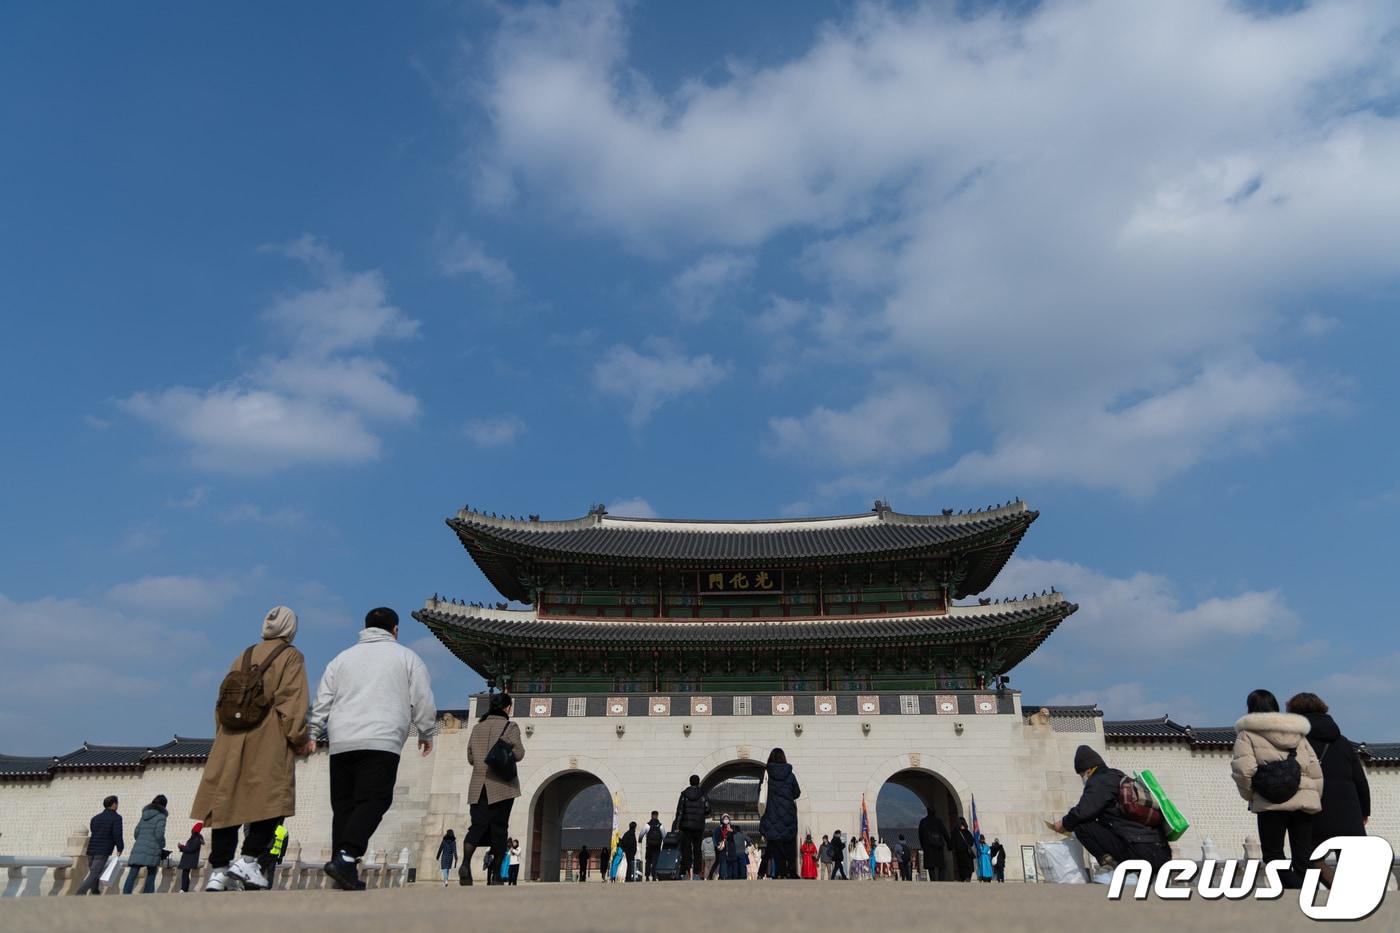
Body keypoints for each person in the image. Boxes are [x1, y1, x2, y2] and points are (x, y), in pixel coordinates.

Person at [311, 607, 437, 891]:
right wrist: (426, 731)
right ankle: (346, 855)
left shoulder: (341, 659)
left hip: (341, 739)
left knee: (344, 805)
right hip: (382, 739)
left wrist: (313, 730)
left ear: (365, 628)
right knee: (374, 800)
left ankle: (342, 868)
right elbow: (423, 699)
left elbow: (323, 699)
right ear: (395, 629)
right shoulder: (407, 657)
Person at [192, 605, 312, 892]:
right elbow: (292, 703)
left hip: (230, 738)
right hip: (267, 737)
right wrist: (299, 738)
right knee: (272, 801)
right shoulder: (290, 655)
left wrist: (222, 737)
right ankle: (248, 860)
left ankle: (218, 871)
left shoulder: (242, 656)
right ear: (291, 628)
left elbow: (222, 701)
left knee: (226, 803)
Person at [1232, 689, 1323, 889]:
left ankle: (1294, 889)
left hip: (1271, 800)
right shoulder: (1297, 733)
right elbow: (1314, 768)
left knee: (1274, 855)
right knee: (1303, 853)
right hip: (1304, 799)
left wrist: (1252, 795)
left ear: (1250, 709)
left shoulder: (1247, 734)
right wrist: (1313, 796)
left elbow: (1244, 770)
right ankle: (1309, 893)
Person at [1054, 745, 1172, 874]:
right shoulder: (1119, 776)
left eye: (1082, 774)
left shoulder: (1099, 780)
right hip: (1162, 853)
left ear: (1088, 770)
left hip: (1140, 853)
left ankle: (1111, 866)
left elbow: (1082, 812)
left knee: (1081, 825)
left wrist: (1064, 823)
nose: (1083, 778)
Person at [459, 691, 523, 885]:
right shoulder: (509, 726)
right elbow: (519, 753)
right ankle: (496, 875)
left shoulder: (477, 728)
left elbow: (470, 757)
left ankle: (465, 864)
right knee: (499, 829)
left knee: (477, 826)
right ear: (508, 708)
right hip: (502, 786)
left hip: (478, 786)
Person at [759, 748, 801, 879]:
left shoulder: (766, 775)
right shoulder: (790, 775)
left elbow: (760, 794)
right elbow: (797, 793)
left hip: (772, 814)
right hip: (788, 813)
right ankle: (792, 872)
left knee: (776, 844)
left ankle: (781, 872)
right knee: (789, 844)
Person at [76, 795, 124, 895]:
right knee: (94, 874)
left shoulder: (95, 818)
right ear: (114, 804)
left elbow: (94, 831)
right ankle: (80, 892)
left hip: (91, 850)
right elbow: (117, 834)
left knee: (94, 873)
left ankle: (95, 892)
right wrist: (120, 847)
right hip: (102, 851)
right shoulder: (116, 818)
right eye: (117, 803)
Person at [122, 794, 168, 894]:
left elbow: (136, 832)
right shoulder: (161, 817)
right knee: (151, 873)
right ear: (164, 805)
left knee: (132, 873)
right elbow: (159, 834)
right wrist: (162, 844)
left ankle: (125, 895)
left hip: (139, 847)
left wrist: (141, 840)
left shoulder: (144, 815)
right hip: (153, 849)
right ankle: (147, 896)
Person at [674, 773, 711, 880]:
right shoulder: (703, 794)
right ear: (698, 782)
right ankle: (696, 873)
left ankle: (686, 872)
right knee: (697, 850)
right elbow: (708, 809)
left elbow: (680, 811)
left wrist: (677, 825)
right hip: (698, 826)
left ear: (690, 782)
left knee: (686, 850)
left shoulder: (684, 794)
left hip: (686, 826)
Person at [918, 807, 951, 882]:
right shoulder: (939, 821)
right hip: (938, 845)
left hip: (928, 846)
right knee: (941, 865)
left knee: (931, 865)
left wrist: (922, 845)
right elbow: (945, 832)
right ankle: (941, 880)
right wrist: (949, 843)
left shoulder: (923, 821)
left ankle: (933, 880)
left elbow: (920, 835)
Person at [176, 822, 204, 893]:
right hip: (188, 858)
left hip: (190, 859)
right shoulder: (195, 838)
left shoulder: (196, 839)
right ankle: (184, 889)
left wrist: (181, 846)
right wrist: (182, 847)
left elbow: (190, 849)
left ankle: (184, 889)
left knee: (185, 874)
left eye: (193, 829)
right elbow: (189, 848)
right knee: (185, 873)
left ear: (195, 830)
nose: (192, 831)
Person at [262, 822, 288, 889]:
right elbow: (284, 846)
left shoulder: (267, 826)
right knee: (271, 873)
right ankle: (268, 887)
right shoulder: (284, 831)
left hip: (264, 853)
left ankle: (257, 886)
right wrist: (281, 856)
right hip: (274, 855)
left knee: (260, 870)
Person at [711, 813, 737, 880]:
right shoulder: (718, 828)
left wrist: (731, 830)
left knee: (726, 861)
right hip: (720, 847)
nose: (726, 820)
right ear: (722, 820)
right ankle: (721, 876)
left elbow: (735, 834)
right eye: (725, 819)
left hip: (728, 847)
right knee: (721, 861)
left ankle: (725, 876)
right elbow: (714, 837)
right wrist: (716, 845)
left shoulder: (731, 827)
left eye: (727, 818)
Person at [643, 810, 664, 880]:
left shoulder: (647, 825)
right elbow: (664, 836)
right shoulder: (660, 825)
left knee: (648, 861)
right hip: (657, 846)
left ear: (651, 816)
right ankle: (654, 876)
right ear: (657, 816)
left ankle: (647, 876)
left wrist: (640, 840)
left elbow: (641, 835)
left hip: (649, 846)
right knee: (655, 861)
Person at [953, 817, 974, 882]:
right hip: (967, 854)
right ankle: (967, 879)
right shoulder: (967, 832)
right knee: (968, 869)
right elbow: (972, 842)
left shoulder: (955, 833)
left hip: (959, 854)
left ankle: (963, 879)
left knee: (961, 869)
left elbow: (952, 843)